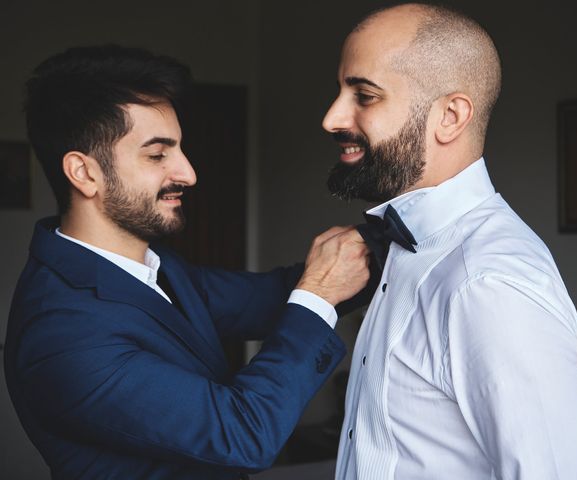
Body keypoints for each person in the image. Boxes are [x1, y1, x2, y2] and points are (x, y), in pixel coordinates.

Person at [3, 45, 371, 480]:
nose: (189, 173)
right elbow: (242, 433)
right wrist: (320, 293)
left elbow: (276, 296)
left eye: (179, 149)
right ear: (84, 173)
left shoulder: (154, 267)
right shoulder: (63, 333)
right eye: (158, 155)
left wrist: (393, 237)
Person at [322, 3, 577, 479]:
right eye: (340, 91)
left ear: (450, 117)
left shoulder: (487, 282)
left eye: (365, 95)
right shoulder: (404, 248)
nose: (332, 118)